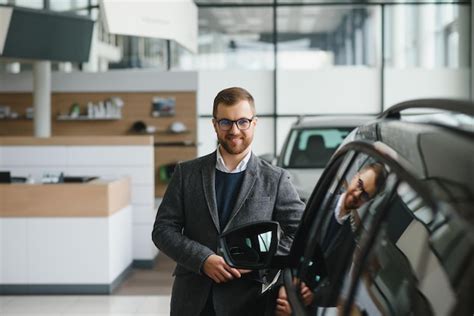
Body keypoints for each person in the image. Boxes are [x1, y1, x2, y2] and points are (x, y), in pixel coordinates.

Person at [152, 87, 305, 316]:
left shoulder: (275, 179)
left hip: (249, 301)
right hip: (192, 299)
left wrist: (257, 259)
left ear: (254, 123)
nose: (234, 130)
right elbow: (163, 230)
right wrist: (202, 259)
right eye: (226, 122)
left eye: (242, 121)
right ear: (215, 125)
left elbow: (301, 234)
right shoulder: (187, 173)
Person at [275, 162, 387, 315]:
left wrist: (313, 296)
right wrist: (283, 284)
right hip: (280, 297)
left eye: (365, 195)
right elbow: (287, 243)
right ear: (355, 176)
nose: (357, 195)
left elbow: (337, 288)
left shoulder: (353, 238)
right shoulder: (315, 203)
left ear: (369, 201)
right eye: (359, 184)